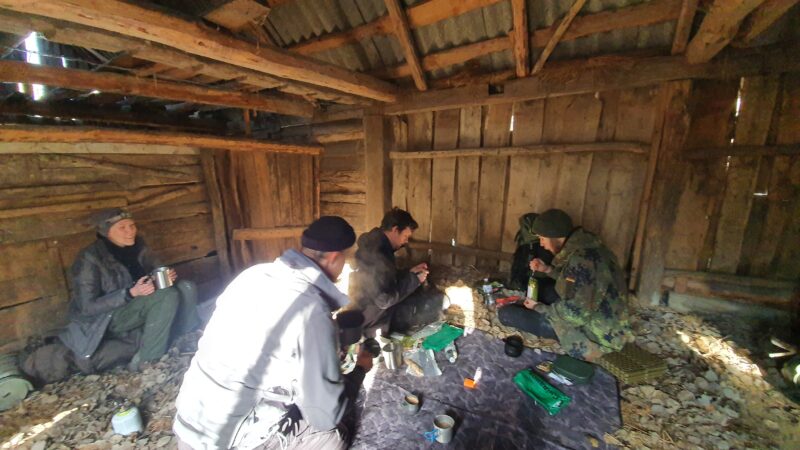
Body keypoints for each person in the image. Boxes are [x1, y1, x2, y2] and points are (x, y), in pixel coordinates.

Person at [173, 216, 374, 450]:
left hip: (190, 421)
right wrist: (360, 370)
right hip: (227, 441)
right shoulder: (312, 311)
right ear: (334, 257)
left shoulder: (254, 274)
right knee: (332, 437)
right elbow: (324, 416)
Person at [59, 208, 198, 373]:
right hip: (109, 316)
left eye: (132, 226)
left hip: (141, 301)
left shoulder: (139, 246)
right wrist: (130, 293)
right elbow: (87, 307)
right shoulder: (89, 259)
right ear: (106, 232)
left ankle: (184, 337)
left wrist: (165, 275)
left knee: (186, 287)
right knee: (167, 296)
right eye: (122, 228)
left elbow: (156, 267)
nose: (130, 231)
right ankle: (149, 360)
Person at [498, 209, 634, 361]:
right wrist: (548, 269)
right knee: (544, 290)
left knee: (506, 314)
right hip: (603, 318)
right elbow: (576, 282)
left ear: (556, 237)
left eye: (543, 238)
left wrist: (538, 308)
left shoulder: (582, 261)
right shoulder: (589, 249)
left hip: (598, 336)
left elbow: (575, 315)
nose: (542, 244)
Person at [349, 208, 443, 337]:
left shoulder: (376, 245)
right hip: (370, 321)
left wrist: (409, 272)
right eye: (405, 236)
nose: (406, 241)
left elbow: (384, 278)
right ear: (395, 230)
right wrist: (414, 280)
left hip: (363, 311)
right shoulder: (378, 253)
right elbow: (384, 299)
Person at [507, 212, 558, 305]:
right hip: (530, 283)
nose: (542, 242)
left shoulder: (549, 245)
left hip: (545, 285)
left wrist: (545, 268)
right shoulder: (526, 245)